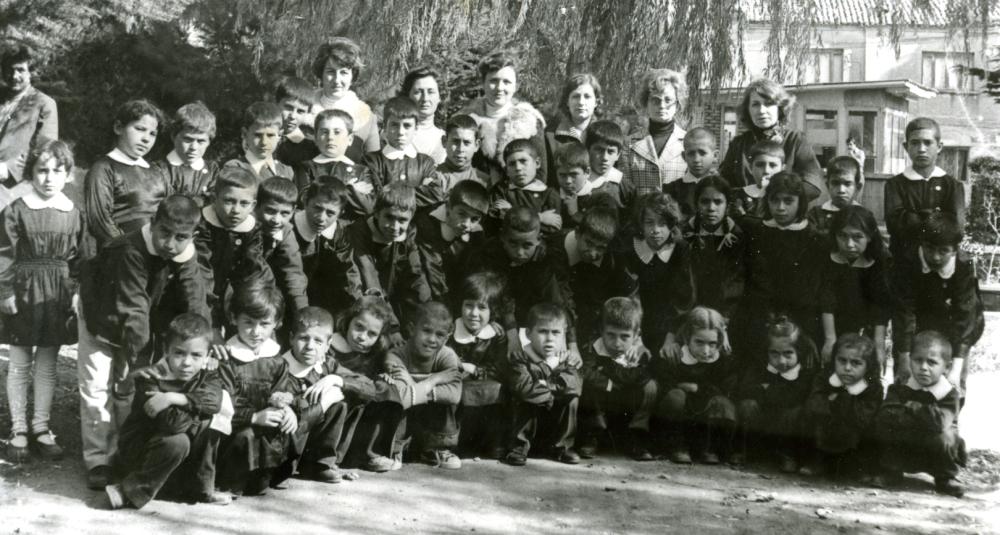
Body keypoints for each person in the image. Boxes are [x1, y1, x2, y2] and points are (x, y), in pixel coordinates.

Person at [77, 194, 209, 489]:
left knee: (126, 389)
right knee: (97, 388)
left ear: (193, 235)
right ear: (153, 223)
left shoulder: (186, 254)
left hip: (136, 322)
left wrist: (203, 346)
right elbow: (133, 307)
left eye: (181, 237)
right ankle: (98, 459)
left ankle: (123, 454)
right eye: (165, 233)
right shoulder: (129, 249)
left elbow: (195, 300)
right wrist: (142, 360)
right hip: (101, 319)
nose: (170, 244)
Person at [1, 140, 85, 462]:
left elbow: (78, 260)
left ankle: (41, 426)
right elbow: (3, 255)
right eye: (42, 170)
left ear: (68, 175)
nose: (49, 178)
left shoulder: (73, 213)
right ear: (31, 173)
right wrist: (5, 292)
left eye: (57, 171)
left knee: (48, 363)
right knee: (20, 361)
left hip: (56, 294)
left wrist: (75, 292)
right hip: (23, 290)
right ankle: (18, 428)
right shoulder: (16, 210)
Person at [105, 313, 227, 509]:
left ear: (207, 355)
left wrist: (173, 398)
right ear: (166, 350)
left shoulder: (207, 376)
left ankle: (202, 490)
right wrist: (199, 408)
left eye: (196, 355)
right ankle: (129, 490)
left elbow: (214, 402)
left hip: (171, 457)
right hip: (140, 453)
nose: (187, 362)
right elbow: (172, 424)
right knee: (179, 439)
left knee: (209, 424)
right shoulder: (151, 377)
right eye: (179, 353)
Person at [732, 172, 826, 370]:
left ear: (800, 202)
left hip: (800, 321)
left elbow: (813, 288)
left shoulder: (814, 238)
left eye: (788, 201)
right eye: (775, 200)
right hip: (759, 317)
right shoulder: (755, 230)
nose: (781, 207)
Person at [461, 207, 577, 354]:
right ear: (502, 238)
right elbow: (494, 293)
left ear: (538, 239)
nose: (519, 252)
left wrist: (572, 343)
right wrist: (511, 334)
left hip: (535, 321)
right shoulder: (488, 253)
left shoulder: (549, 257)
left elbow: (560, 299)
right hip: (498, 317)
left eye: (527, 245)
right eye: (513, 244)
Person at [214, 283, 294, 496]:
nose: (256, 332)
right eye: (248, 322)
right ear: (234, 319)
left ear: (277, 323)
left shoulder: (277, 360)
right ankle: (230, 482)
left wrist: (287, 409)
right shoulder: (227, 360)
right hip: (235, 429)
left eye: (264, 324)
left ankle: (268, 475)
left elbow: (282, 391)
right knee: (246, 436)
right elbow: (225, 403)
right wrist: (254, 416)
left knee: (286, 428)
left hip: (265, 426)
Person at [280, 307, 373, 484]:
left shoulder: (326, 365)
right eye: (303, 338)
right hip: (287, 448)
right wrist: (326, 401)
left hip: (310, 442)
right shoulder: (280, 369)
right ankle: (308, 465)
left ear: (328, 344)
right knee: (328, 401)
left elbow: (370, 388)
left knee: (346, 398)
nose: (310, 347)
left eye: (318, 341)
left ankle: (322, 464)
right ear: (291, 338)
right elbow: (295, 423)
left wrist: (336, 379)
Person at [894, 212, 984, 394]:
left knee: (951, 385)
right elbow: (904, 311)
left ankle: (952, 409)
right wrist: (904, 358)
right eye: (930, 248)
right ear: (921, 243)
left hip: (955, 325)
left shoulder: (963, 266)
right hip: (918, 323)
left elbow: (965, 315)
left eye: (943, 251)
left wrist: (956, 368)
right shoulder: (908, 261)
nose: (935, 257)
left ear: (954, 250)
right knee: (908, 379)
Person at [872, 330, 967, 497]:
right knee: (884, 427)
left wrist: (912, 407)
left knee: (945, 437)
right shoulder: (901, 387)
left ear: (947, 367)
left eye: (932, 362)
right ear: (910, 360)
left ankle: (945, 476)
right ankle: (891, 471)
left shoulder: (949, 394)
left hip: (935, 446)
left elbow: (939, 423)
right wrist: (922, 416)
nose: (923, 368)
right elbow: (886, 414)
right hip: (908, 441)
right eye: (918, 360)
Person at [382, 302, 464, 469]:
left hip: (432, 422)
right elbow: (402, 396)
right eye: (426, 331)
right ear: (412, 329)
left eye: (440, 334)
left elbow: (454, 394)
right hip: (406, 420)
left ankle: (438, 448)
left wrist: (412, 382)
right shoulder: (396, 355)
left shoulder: (447, 356)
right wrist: (434, 380)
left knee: (446, 403)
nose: (432, 339)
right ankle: (396, 448)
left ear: (447, 338)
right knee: (396, 401)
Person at [614, 192, 695, 359]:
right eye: (649, 223)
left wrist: (671, 337)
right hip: (637, 324)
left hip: (672, 324)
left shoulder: (680, 250)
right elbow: (629, 296)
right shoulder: (631, 250)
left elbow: (683, 299)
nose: (656, 230)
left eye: (663, 223)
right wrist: (636, 338)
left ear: (672, 225)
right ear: (641, 224)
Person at [194, 167, 275, 330]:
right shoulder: (202, 225)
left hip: (231, 292)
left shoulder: (252, 229)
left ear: (253, 205)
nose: (236, 210)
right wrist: (211, 323)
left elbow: (253, 270)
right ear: (215, 199)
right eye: (229, 201)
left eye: (244, 203)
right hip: (199, 290)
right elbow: (202, 272)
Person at [654, 306, 737, 465]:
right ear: (687, 338)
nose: (706, 350)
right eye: (699, 342)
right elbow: (664, 384)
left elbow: (725, 388)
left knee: (723, 403)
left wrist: (697, 388)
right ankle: (677, 447)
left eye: (712, 343)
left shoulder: (721, 361)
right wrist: (679, 387)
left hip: (705, 417)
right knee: (675, 397)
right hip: (680, 420)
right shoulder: (676, 355)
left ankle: (709, 448)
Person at [346, 182, 430, 338]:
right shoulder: (360, 232)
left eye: (402, 220)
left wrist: (426, 318)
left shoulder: (409, 234)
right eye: (389, 217)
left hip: (391, 299)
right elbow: (369, 278)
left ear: (411, 218)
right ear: (377, 213)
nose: (394, 227)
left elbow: (417, 277)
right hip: (365, 300)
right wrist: (391, 327)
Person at [578, 297, 658, 461]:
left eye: (625, 337)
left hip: (625, 403)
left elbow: (641, 377)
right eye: (611, 335)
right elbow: (585, 371)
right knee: (588, 386)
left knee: (650, 386)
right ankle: (592, 435)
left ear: (636, 335)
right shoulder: (594, 348)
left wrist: (625, 365)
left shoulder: (639, 353)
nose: (617, 343)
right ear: (601, 331)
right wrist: (609, 382)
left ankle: (635, 436)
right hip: (600, 402)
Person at [718, 78, 822, 202]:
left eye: (768, 103)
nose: (761, 110)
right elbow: (723, 186)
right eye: (755, 104)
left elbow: (812, 185)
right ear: (747, 110)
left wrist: (778, 198)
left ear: (780, 108)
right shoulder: (738, 144)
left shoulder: (795, 140)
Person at [503, 303, 582, 466]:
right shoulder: (521, 358)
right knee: (528, 398)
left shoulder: (566, 360)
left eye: (556, 332)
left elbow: (575, 384)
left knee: (572, 398)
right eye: (543, 332)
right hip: (528, 424)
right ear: (528, 334)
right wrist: (553, 394)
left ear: (564, 335)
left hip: (552, 427)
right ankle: (519, 447)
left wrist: (547, 386)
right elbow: (523, 388)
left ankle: (563, 447)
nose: (550, 339)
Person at [734, 318, 818, 471]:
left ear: (799, 352)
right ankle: (749, 451)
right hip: (763, 422)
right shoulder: (760, 367)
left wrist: (766, 389)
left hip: (786, 428)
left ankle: (788, 455)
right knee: (747, 405)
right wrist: (779, 392)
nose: (781, 361)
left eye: (788, 354)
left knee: (795, 412)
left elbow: (796, 397)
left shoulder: (805, 373)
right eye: (774, 353)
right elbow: (745, 390)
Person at [84, 99, 168, 250]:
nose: (146, 139)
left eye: (153, 134)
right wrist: (127, 250)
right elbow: (99, 221)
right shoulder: (104, 168)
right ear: (118, 127)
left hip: (159, 250)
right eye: (140, 129)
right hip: (123, 251)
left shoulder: (156, 171)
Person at [883, 117, 966, 266]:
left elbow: (956, 229)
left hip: (940, 262)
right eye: (915, 143)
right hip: (904, 262)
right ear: (906, 146)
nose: (921, 149)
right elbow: (895, 225)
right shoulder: (895, 185)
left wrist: (915, 217)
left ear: (939, 147)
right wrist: (936, 218)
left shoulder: (953, 186)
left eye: (927, 142)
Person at [800, 333, 882, 479]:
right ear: (834, 360)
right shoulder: (824, 378)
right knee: (810, 417)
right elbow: (814, 404)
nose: (847, 368)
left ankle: (858, 466)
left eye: (856, 363)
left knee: (874, 427)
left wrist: (841, 399)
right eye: (842, 361)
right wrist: (834, 404)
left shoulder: (872, 387)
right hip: (825, 433)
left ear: (868, 366)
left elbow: (863, 418)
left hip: (853, 438)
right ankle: (817, 461)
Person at [332, 296, 399, 472]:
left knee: (386, 389)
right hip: (336, 403)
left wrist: (383, 376)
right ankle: (332, 456)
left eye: (372, 334)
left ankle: (369, 453)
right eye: (359, 327)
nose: (362, 337)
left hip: (361, 408)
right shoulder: (331, 345)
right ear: (348, 321)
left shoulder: (374, 353)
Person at [460, 52, 548, 186]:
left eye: (506, 82)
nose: (500, 88)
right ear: (483, 83)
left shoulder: (530, 121)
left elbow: (540, 174)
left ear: (516, 86)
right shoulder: (467, 120)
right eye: (493, 81)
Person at [447, 272, 509, 459]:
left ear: (492, 311)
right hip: (458, 382)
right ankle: (454, 443)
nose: (474, 313)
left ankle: (493, 443)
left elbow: (498, 366)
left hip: (485, 381)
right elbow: (443, 358)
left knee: (498, 391)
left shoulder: (496, 335)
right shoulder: (451, 331)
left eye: (482, 307)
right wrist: (461, 367)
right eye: (468, 305)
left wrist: (476, 370)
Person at [818, 206, 890, 366]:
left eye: (857, 237)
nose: (849, 244)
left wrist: (879, 346)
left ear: (869, 236)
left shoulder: (880, 261)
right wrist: (830, 339)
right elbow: (826, 299)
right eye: (842, 236)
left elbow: (880, 305)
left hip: (866, 328)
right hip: (831, 325)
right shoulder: (829, 257)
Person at [293, 180, 363, 317]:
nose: (321, 218)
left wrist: (356, 307)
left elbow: (347, 273)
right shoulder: (290, 227)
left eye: (330, 213)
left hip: (322, 301)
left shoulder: (339, 233)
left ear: (340, 213)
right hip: (289, 298)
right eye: (317, 208)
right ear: (306, 201)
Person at [554, 206, 623, 344]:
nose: (592, 253)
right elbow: (561, 298)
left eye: (600, 248)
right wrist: (572, 342)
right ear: (577, 233)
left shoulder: (609, 259)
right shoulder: (555, 249)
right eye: (589, 243)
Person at [681, 175, 745, 320]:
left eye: (718, 202)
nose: (711, 208)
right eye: (705, 201)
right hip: (690, 311)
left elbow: (735, 282)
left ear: (727, 205)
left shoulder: (736, 237)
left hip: (725, 314)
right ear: (696, 203)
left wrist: (725, 316)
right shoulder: (686, 235)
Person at [292, 109, 375, 221]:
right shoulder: (306, 168)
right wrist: (349, 191)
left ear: (350, 139)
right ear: (316, 138)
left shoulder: (361, 171)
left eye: (337, 132)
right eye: (324, 132)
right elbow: (305, 200)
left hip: (350, 228)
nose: (330, 137)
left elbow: (369, 207)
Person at [413, 179, 489, 301]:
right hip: (426, 281)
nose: (466, 224)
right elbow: (432, 269)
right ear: (448, 207)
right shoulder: (426, 223)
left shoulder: (477, 234)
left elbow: (473, 271)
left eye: (474, 219)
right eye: (461, 214)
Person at [360, 96, 442, 207]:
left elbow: (435, 195)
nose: (401, 132)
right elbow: (372, 199)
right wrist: (418, 191)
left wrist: (386, 192)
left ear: (416, 129)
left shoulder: (425, 163)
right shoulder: (371, 161)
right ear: (385, 127)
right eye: (394, 125)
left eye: (407, 126)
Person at [311, 38, 380, 162]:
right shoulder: (303, 110)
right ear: (321, 74)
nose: (337, 80)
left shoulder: (367, 118)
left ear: (353, 76)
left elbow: (374, 165)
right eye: (331, 72)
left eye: (344, 72)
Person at [256, 177, 309, 339]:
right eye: (270, 211)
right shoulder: (246, 226)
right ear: (257, 205)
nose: (276, 220)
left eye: (284, 213)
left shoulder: (285, 232)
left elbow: (293, 273)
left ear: (293, 211)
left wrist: (303, 313)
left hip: (265, 289)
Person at [622, 69, 688, 196]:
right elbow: (625, 192)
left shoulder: (688, 142)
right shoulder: (629, 144)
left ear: (677, 104)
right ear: (646, 103)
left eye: (668, 100)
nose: (662, 105)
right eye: (655, 100)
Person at [0, 45, 58, 188]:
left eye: (20, 70)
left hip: (12, 185)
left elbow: (45, 148)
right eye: (9, 70)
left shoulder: (44, 104)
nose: (14, 76)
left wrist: (10, 169)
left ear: (31, 72)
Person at [488, 138, 562, 235]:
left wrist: (510, 213)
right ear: (506, 170)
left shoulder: (549, 194)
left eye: (523, 161)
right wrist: (539, 217)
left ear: (537, 163)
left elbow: (552, 227)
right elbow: (497, 222)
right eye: (512, 164)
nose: (518, 168)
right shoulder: (500, 190)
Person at [154, 102, 219, 206]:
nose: (194, 147)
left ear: (209, 142)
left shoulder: (212, 171)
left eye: (201, 141)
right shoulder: (159, 169)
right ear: (173, 136)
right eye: (188, 139)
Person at [545, 73, 602, 184]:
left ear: (596, 102)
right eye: (576, 96)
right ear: (567, 101)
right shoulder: (551, 137)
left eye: (587, 96)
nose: (581, 102)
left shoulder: (603, 135)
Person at [223, 102, 293, 182]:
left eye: (270, 135)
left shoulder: (286, 172)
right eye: (258, 135)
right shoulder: (235, 168)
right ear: (244, 134)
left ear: (279, 135)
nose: (264, 142)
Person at [580, 120, 636, 212]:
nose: (605, 158)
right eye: (599, 150)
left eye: (610, 151)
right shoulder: (578, 180)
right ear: (588, 150)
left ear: (618, 155)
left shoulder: (623, 185)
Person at [665, 126, 719, 218]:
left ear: (715, 156)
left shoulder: (722, 187)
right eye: (691, 154)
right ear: (684, 156)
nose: (696, 159)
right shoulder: (672, 189)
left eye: (702, 153)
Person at [806, 156, 863, 238]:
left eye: (847, 184)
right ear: (827, 186)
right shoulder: (816, 215)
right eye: (835, 183)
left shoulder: (864, 216)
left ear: (857, 187)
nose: (841, 190)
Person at [400, 66, 446, 164]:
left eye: (431, 92)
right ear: (407, 97)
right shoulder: (395, 134)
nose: (425, 98)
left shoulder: (448, 138)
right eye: (418, 92)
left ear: (440, 97)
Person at [733, 139, 784, 221]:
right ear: (750, 168)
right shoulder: (740, 195)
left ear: (782, 169)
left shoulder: (786, 196)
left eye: (773, 165)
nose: (766, 171)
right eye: (760, 165)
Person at [274, 76, 320, 167]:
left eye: (300, 111)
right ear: (276, 103)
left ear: (307, 113)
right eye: (288, 107)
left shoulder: (309, 148)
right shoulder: (259, 134)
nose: (293, 116)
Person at [435, 114, 489, 191]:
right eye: (455, 141)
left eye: (467, 143)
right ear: (444, 141)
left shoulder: (484, 181)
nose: (460, 149)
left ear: (476, 145)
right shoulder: (434, 177)